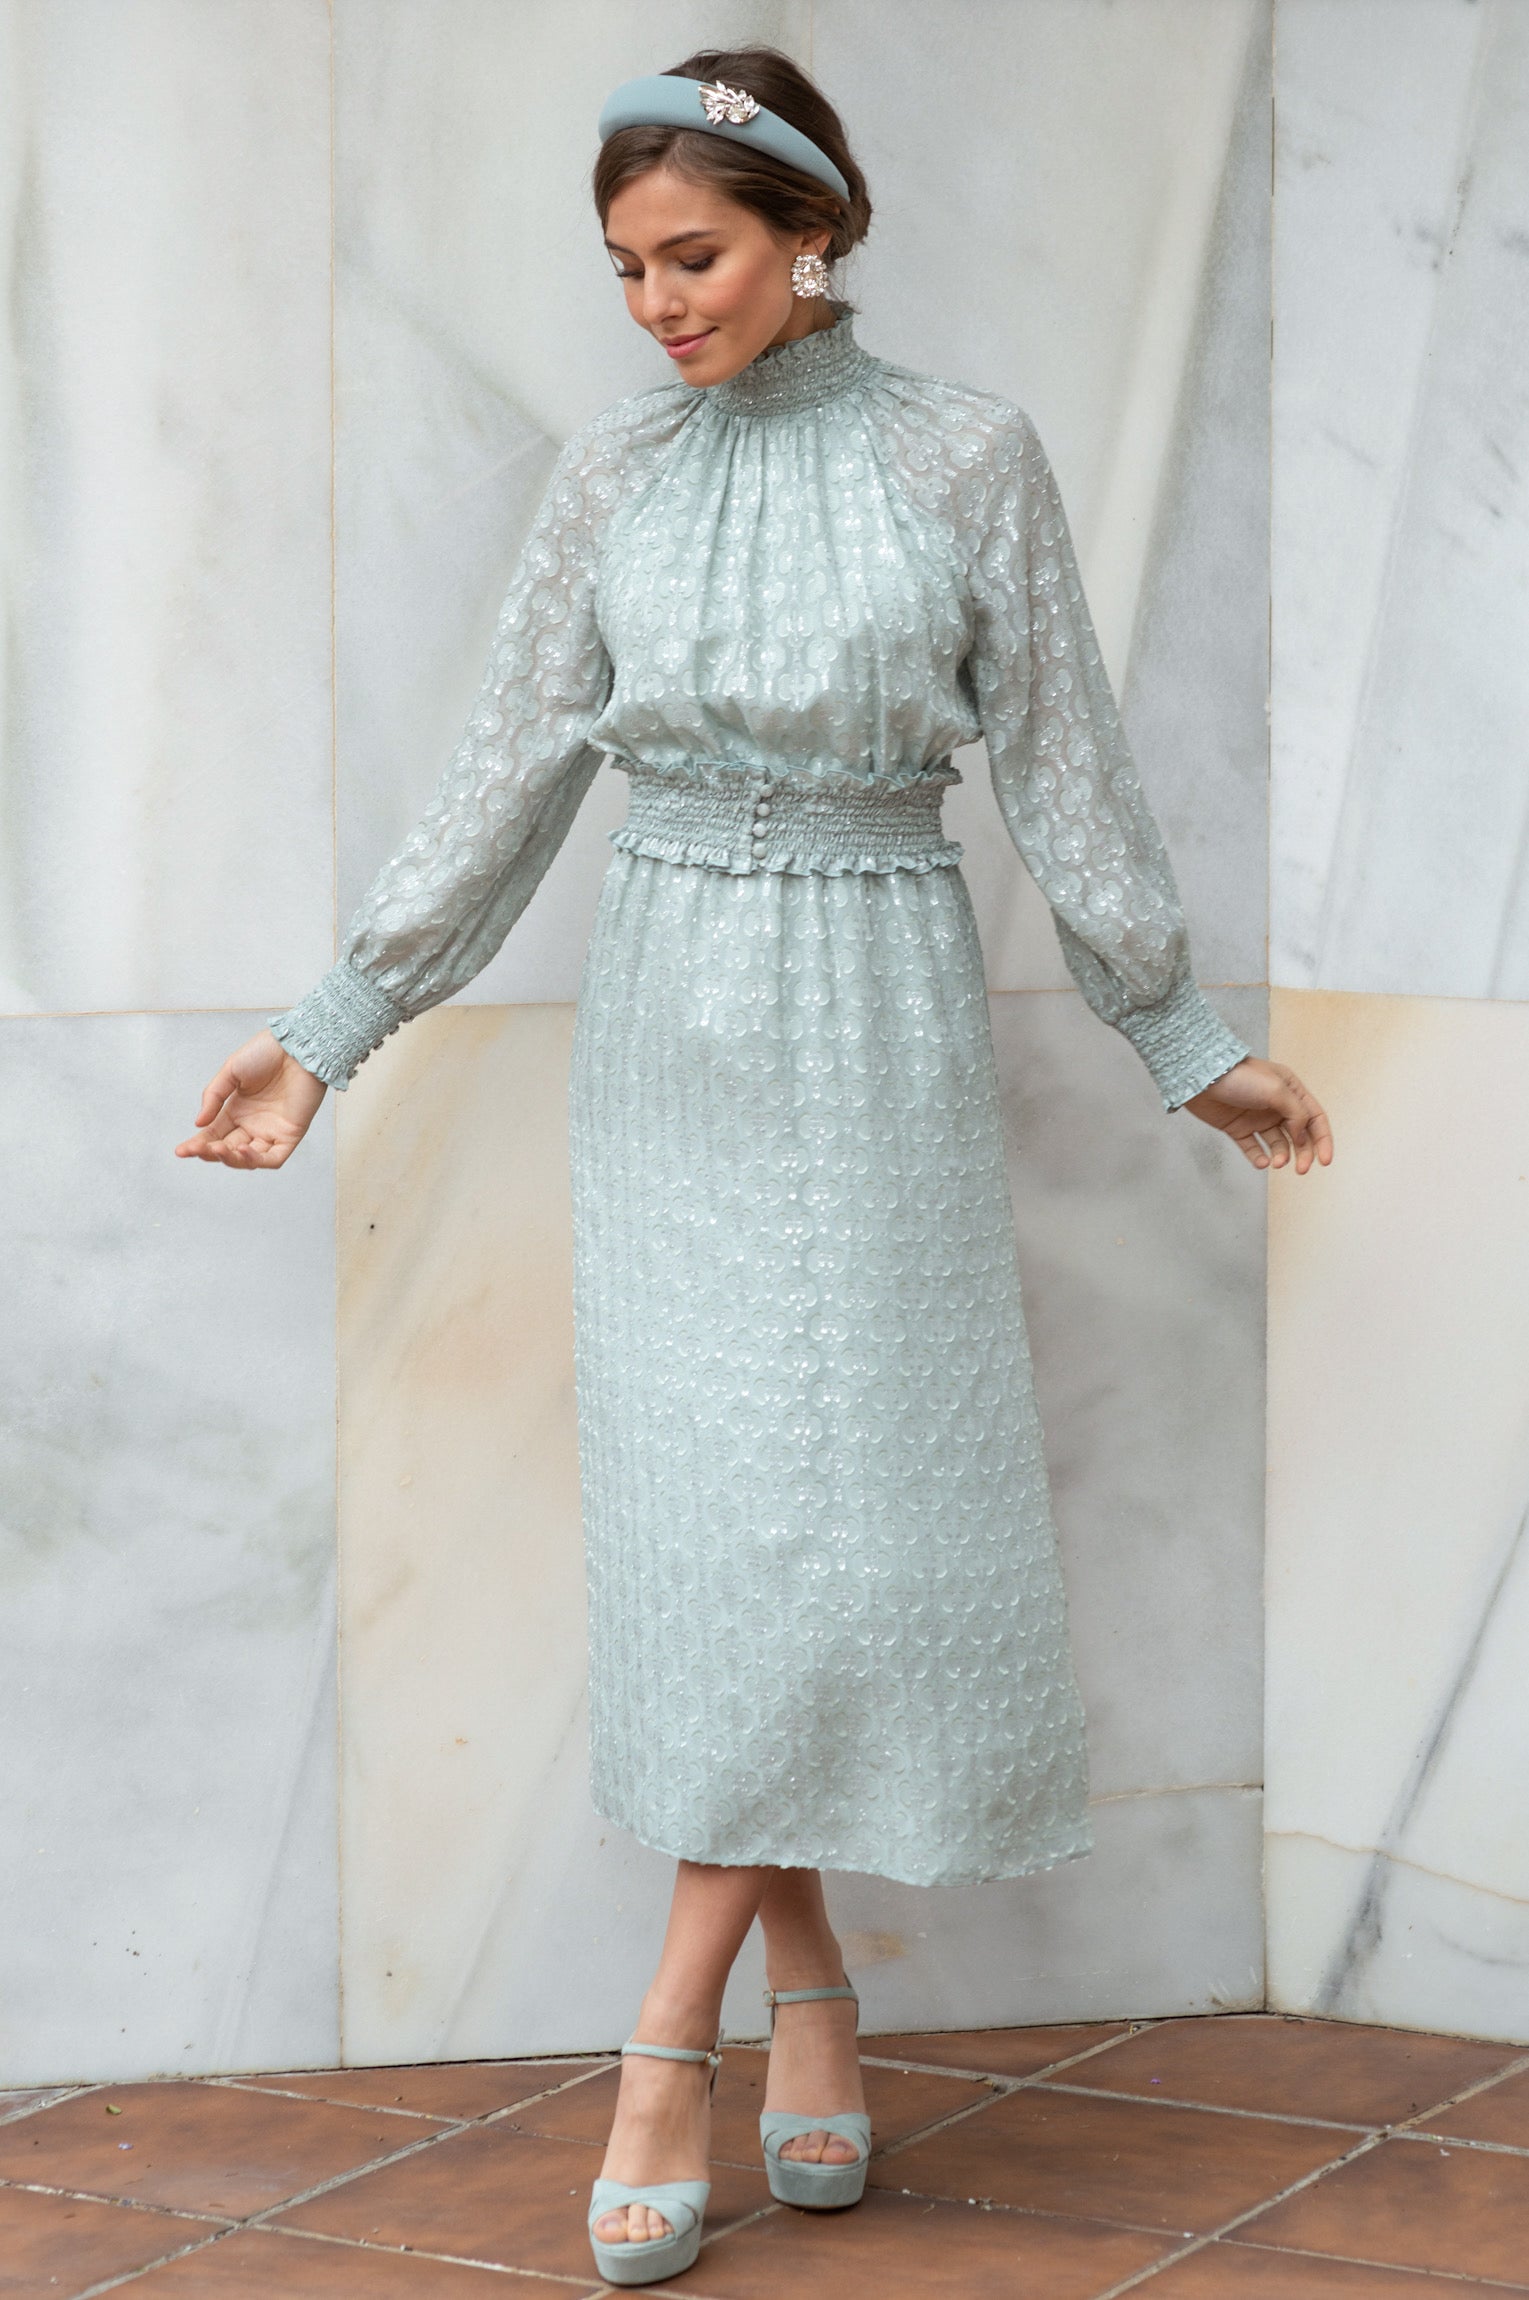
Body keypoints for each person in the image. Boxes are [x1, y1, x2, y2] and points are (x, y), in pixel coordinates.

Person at [176, 47, 1333, 2289]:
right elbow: (503, 778)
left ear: (815, 232)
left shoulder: (965, 454)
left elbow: (1069, 763)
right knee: (723, 1544)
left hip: (880, 1013)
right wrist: (328, 1034)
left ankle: (668, 2036)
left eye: (691, 256)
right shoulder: (613, 472)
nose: (654, 305)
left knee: (845, 1529)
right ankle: (800, 1995)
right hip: (675, 1027)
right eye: (623, 269)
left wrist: (1184, 1039)